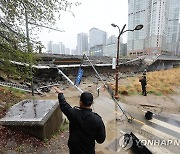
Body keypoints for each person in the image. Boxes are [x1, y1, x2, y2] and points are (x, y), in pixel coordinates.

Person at [53, 87, 106, 154]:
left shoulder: (73, 114)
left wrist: (60, 94)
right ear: (92, 103)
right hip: (88, 151)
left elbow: (64, 106)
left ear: (80, 102)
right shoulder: (97, 119)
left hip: (74, 150)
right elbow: (101, 140)